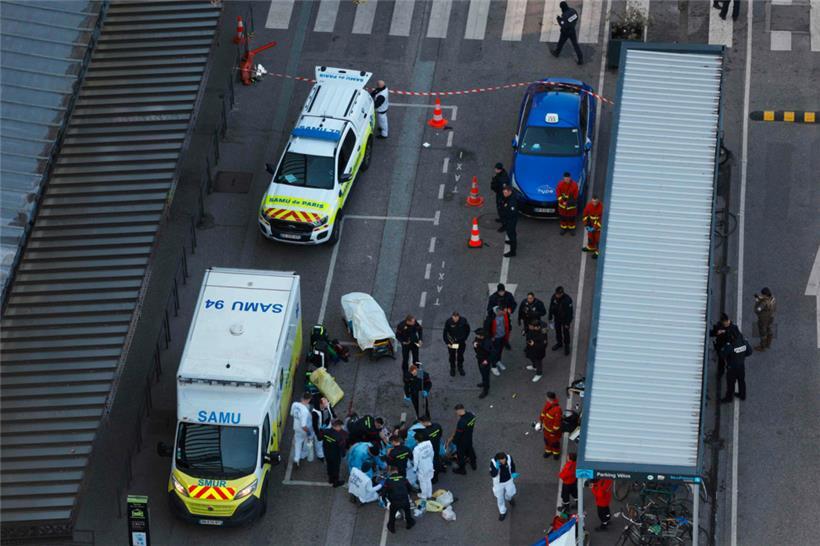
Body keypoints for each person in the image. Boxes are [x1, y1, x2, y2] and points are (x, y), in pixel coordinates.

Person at [720, 325, 752, 402]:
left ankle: (729, 398)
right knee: (741, 381)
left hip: (732, 368)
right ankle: (742, 395)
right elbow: (749, 352)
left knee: (731, 383)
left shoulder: (730, 346)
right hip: (741, 365)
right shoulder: (744, 342)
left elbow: (722, 355)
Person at [380, 468, 415, 533]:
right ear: (397, 471)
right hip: (405, 500)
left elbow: (383, 493)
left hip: (394, 502)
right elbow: (410, 488)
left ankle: (392, 528)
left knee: (392, 515)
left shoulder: (388, 481)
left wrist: (384, 501)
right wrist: (409, 495)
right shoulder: (404, 478)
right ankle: (409, 524)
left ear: (390, 473)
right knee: (407, 512)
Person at [449, 404, 477, 474]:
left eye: (456, 412)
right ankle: (473, 464)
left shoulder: (461, 422)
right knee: (470, 450)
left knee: (460, 455)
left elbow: (458, 434)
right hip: (469, 437)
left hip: (462, 441)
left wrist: (454, 441)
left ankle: (462, 469)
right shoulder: (471, 415)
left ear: (459, 411)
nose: (456, 414)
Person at [318, 419, 347, 487]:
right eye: (340, 426)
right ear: (336, 426)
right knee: (336, 468)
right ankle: (335, 482)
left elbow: (319, 438)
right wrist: (343, 454)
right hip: (335, 456)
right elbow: (342, 447)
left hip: (327, 453)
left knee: (329, 465)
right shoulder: (340, 436)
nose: (341, 428)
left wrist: (321, 430)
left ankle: (330, 479)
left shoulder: (326, 431)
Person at [490, 452, 518, 521]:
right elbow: (492, 474)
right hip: (498, 483)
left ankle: (509, 498)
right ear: (498, 460)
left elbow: (512, 465)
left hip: (508, 480)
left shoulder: (509, 458)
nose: (503, 461)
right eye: (501, 460)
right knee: (500, 498)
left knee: (511, 492)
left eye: (504, 459)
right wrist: (496, 469)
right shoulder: (493, 462)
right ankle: (502, 512)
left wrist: (513, 472)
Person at [443, 311, 471, 377]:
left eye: (457, 317)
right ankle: (452, 369)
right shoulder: (448, 322)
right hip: (452, 343)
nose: (455, 319)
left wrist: (464, 338)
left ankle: (460, 368)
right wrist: (447, 343)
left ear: (459, 316)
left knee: (460, 356)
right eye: (454, 317)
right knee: (452, 356)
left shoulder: (463, 321)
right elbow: (445, 333)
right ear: (452, 316)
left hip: (461, 342)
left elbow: (468, 329)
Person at [486, 306, 511, 376]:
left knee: (500, 350)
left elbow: (508, 323)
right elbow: (486, 330)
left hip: (503, 336)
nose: (504, 312)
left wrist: (508, 331)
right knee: (494, 352)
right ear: (497, 312)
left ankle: (498, 361)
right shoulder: (490, 319)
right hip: (495, 338)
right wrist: (491, 337)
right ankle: (493, 366)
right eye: (502, 311)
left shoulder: (504, 315)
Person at [290, 392, 313, 469]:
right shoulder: (305, 411)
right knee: (307, 441)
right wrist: (308, 432)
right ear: (308, 400)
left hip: (296, 428)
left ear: (302, 398)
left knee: (298, 443)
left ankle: (296, 459)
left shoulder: (294, 404)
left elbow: (292, 414)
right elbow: (304, 426)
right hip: (303, 430)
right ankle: (304, 454)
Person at [548, 286, 574, 356]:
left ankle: (567, 346)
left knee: (566, 333)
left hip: (565, 320)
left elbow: (570, 313)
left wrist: (567, 323)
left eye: (558, 294)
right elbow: (551, 307)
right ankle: (559, 343)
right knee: (558, 331)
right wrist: (550, 317)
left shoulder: (567, 300)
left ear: (561, 293)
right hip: (557, 318)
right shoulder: (554, 297)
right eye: (556, 294)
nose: (556, 295)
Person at [709, 313, 733, 383]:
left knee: (729, 362)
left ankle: (729, 373)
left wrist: (723, 332)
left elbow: (733, 334)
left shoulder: (732, 327)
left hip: (728, 348)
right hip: (721, 348)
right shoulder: (719, 325)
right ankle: (720, 373)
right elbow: (714, 332)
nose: (725, 323)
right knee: (721, 362)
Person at [310, 397, 335, 461]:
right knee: (319, 443)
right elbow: (314, 425)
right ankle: (320, 456)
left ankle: (329, 450)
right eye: (325, 404)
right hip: (320, 429)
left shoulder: (327, 404)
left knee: (329, 439)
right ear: (321, 404)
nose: (327, 405)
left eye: (327, 403)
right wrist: (317, 433)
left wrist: (334, 417)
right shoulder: (315, 412)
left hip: (328, 426)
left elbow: (331, 411)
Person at [412, 431, 435, 500]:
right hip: (429, 465)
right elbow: (432, 454)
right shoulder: (429, 443)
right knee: (428, 480)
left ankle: (424, 495)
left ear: (416, 440)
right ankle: (429, 494)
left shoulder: (416, 449)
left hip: (422, 467)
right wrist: (431, 462)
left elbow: (416, 461)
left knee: (422, 482)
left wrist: (414, 469)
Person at [540, 391, 563, 458]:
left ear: (549, 398)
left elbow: (557, 423)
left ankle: (556, 453)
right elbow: (543, 413)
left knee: (555, 443)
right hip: (546, 429)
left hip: (553, 431)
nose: (546, 398)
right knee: (547, 441)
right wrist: (541, 421)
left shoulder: (557, 409)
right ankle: (548, 451)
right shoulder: (548, 404)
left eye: (546, 397)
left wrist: (554, 431)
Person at [499, 185, 519, 258]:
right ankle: (511, 241)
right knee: (510, 232)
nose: (504, 194)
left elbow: (511, 213)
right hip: (509, 219)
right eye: (503, 192)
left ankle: (512, 252)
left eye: (505, 192)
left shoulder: (512, 203)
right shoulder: (509, 196)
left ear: (510, 192)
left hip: (511, 220)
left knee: (511, 234)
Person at [474, 328, 494, 398]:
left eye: (478, 335)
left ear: (482, 336)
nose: (476, 336)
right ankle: (484, 383)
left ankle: (486, 389)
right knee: (482, 372)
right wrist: (475, 346)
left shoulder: (487, 343)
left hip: (485, 360)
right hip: (480, 358)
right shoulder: (478, 339)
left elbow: (492, 353)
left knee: (486, 375)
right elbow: (476, 345)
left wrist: (487, 361)